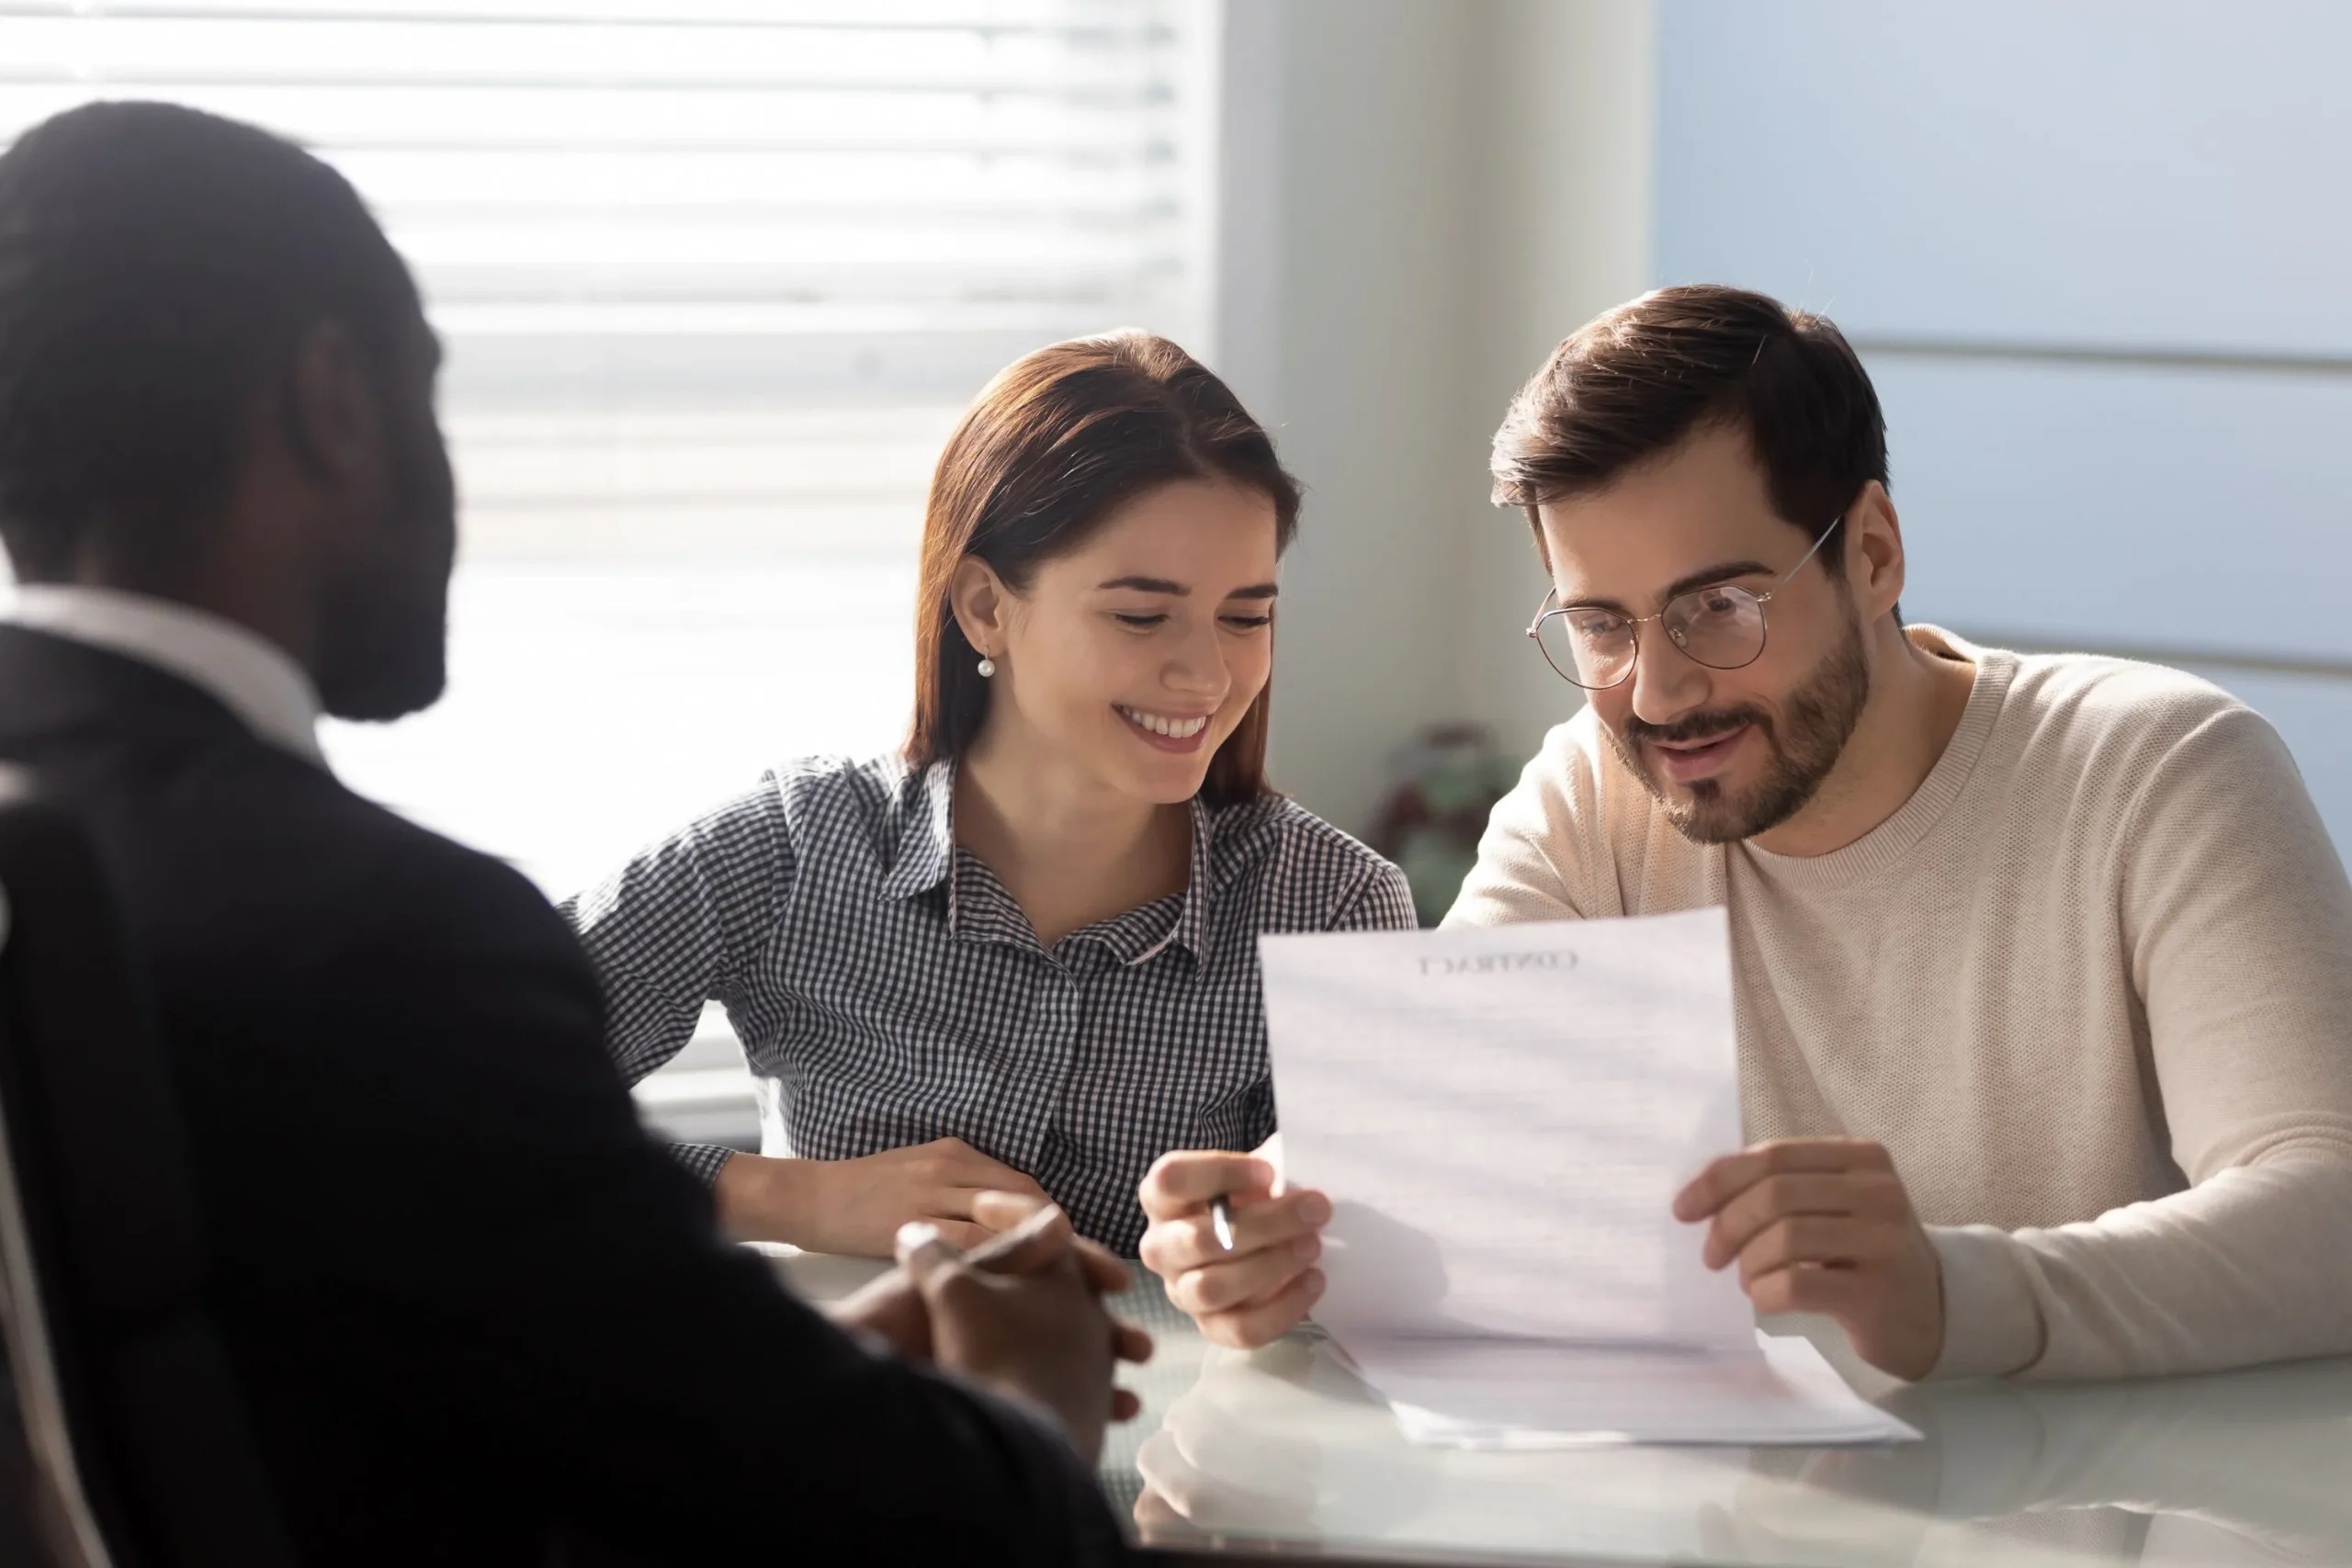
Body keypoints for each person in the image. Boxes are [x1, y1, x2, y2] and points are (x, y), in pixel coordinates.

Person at [0, 100, 1143, 1564]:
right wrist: (1030, 1406)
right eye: (429, 397)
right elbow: (925, 1527)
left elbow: (394, 1386)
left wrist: (805, 1379)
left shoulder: (78, 870)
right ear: (333, 400)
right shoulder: (394, 941)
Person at [1139, 284, 2352, 1383]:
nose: (1661, 694)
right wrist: (1265, 1225)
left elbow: (2329, 1211)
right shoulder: (1593, 794)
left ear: (1872, 551)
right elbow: (1423, 1118)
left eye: (1719, 605)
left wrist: (1953, 1291)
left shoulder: (2159, 770)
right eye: (1602, 626)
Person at [562, 333, 1417, 1261]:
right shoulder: (796, 848)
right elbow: (445, 1083)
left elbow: (1375, 1267)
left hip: (1173, 1409)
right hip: (844, 1401)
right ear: (984, 607)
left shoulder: (1331, 906)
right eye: (1139, 614)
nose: (1208, 673)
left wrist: (1266, 1265)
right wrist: (788, 1199)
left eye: (1246, 617)